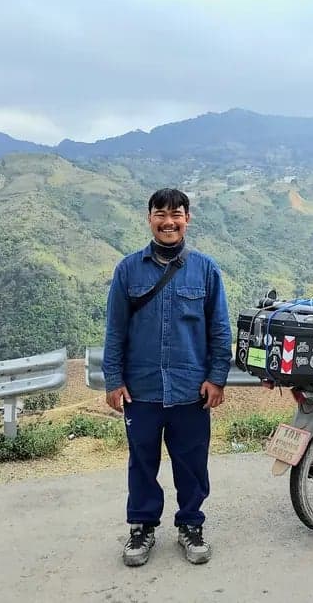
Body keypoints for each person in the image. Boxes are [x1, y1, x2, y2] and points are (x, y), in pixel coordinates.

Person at [102, 188, 232, 567]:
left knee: (191, 461)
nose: (169, 221)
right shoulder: (128, 269)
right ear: (150, 219)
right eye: (161, 213)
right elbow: (115, 330)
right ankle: (142, 527)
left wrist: (217, 378)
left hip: (191, 389)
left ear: (187, 219)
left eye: (176, 214)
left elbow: (219, 330)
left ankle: (191, 524)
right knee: (142, 460)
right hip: (140, 388)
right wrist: (114, 379)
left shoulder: (206, 269)